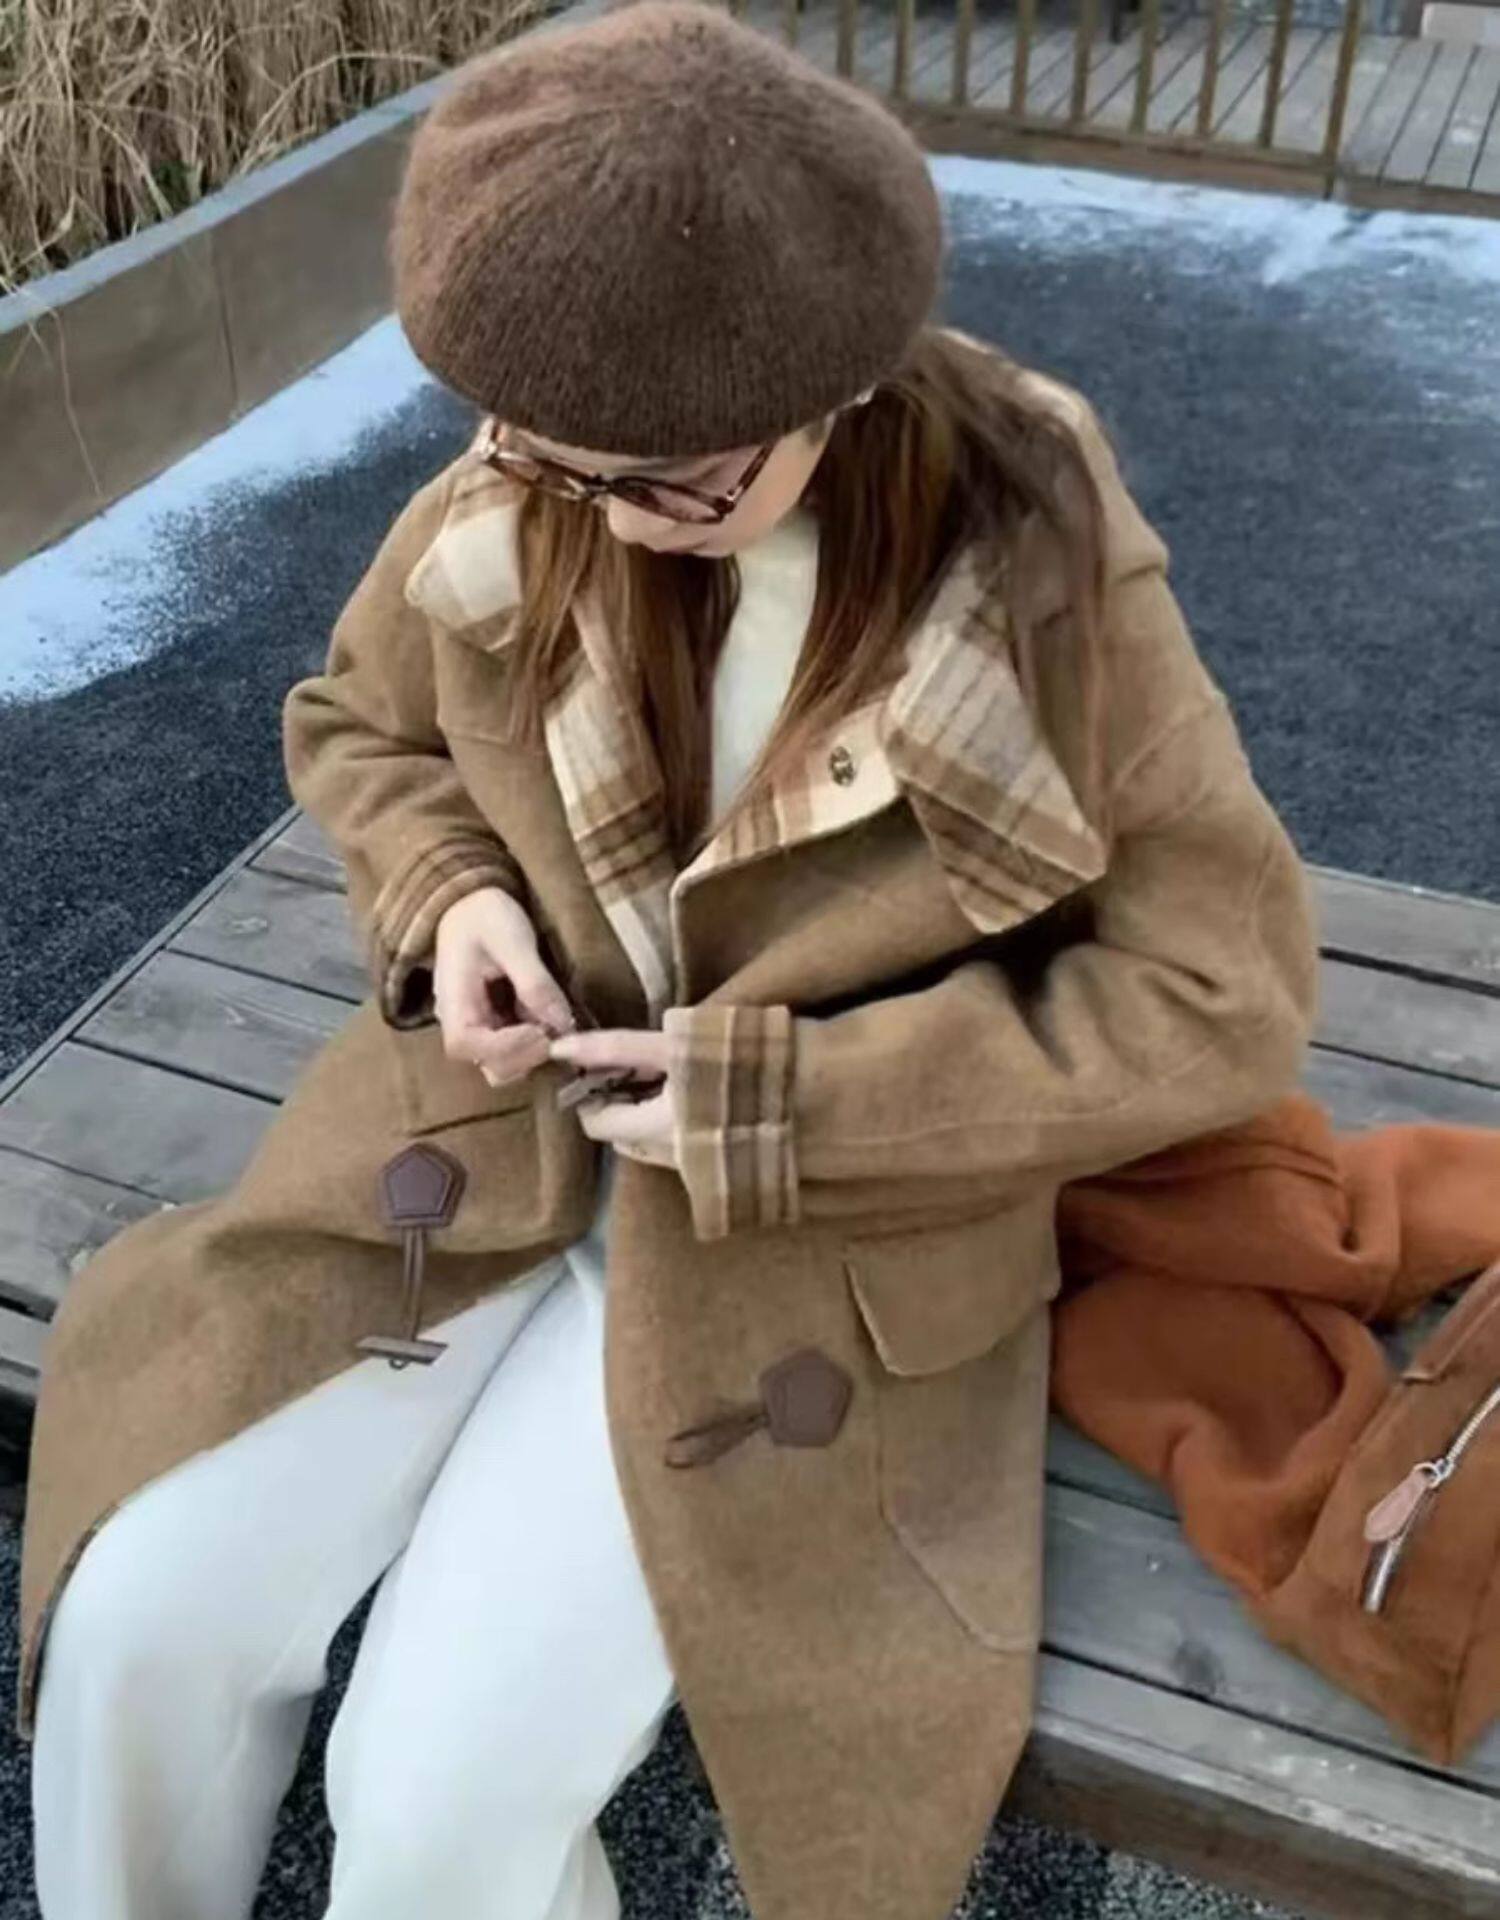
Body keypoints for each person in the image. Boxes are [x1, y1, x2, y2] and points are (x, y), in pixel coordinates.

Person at [21, 4, 1321, 1917]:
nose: (595, 513)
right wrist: (452, 898)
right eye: (544, 460)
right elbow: (361, 723)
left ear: (840, 386)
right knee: (139, 1620)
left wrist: (786, 1099)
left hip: (816, 1238)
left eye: (668, 480)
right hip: (480, 1149)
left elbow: (1221, 994)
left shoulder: (1037, 566)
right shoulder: (544, 459)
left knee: (433, 1796)